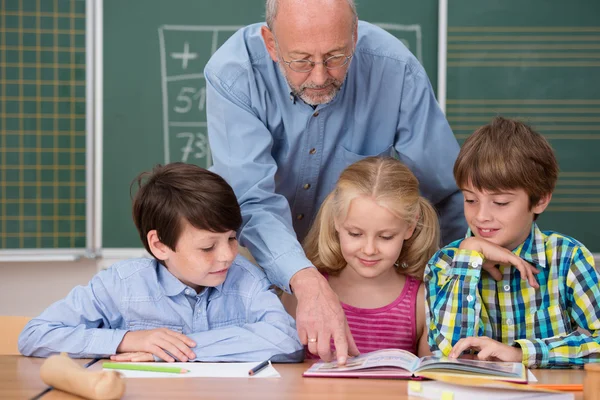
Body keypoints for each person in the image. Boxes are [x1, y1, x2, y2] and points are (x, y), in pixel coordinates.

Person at [205, 0, 465, 363]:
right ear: (270, 44)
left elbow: (444, 192)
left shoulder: (395, 69)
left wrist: (460, 275)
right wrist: (307, 280)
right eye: (300, 61)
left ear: (354, 36)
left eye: (335, 57)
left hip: (360, 262)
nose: (319, 77)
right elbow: (251, 200)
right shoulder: (234, 73)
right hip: (259, 244)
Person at [19, 163, 303, 362]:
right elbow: (36, 335)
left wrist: (174, 350)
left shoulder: (246, 279)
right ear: (159, 245)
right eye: (208, 247)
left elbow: (286, 342)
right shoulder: (120, 285)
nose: (228, 255)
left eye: (231, 238)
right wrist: (128, 340)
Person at [425, 117, 600, 368]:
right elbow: (449, 352)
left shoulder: (568, 258)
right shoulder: (445, 263)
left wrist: (521, 354)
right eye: (470, 200)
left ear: (539, 200)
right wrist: (470, 256)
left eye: (500, 203)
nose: (481, 216)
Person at [284, 157, 438, 357]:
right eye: (355, 234)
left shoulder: (422, 300)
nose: (369, 249)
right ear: (336, 221)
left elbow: (430, 378)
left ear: (410, 226)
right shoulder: (305, 292)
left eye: (386, 237)